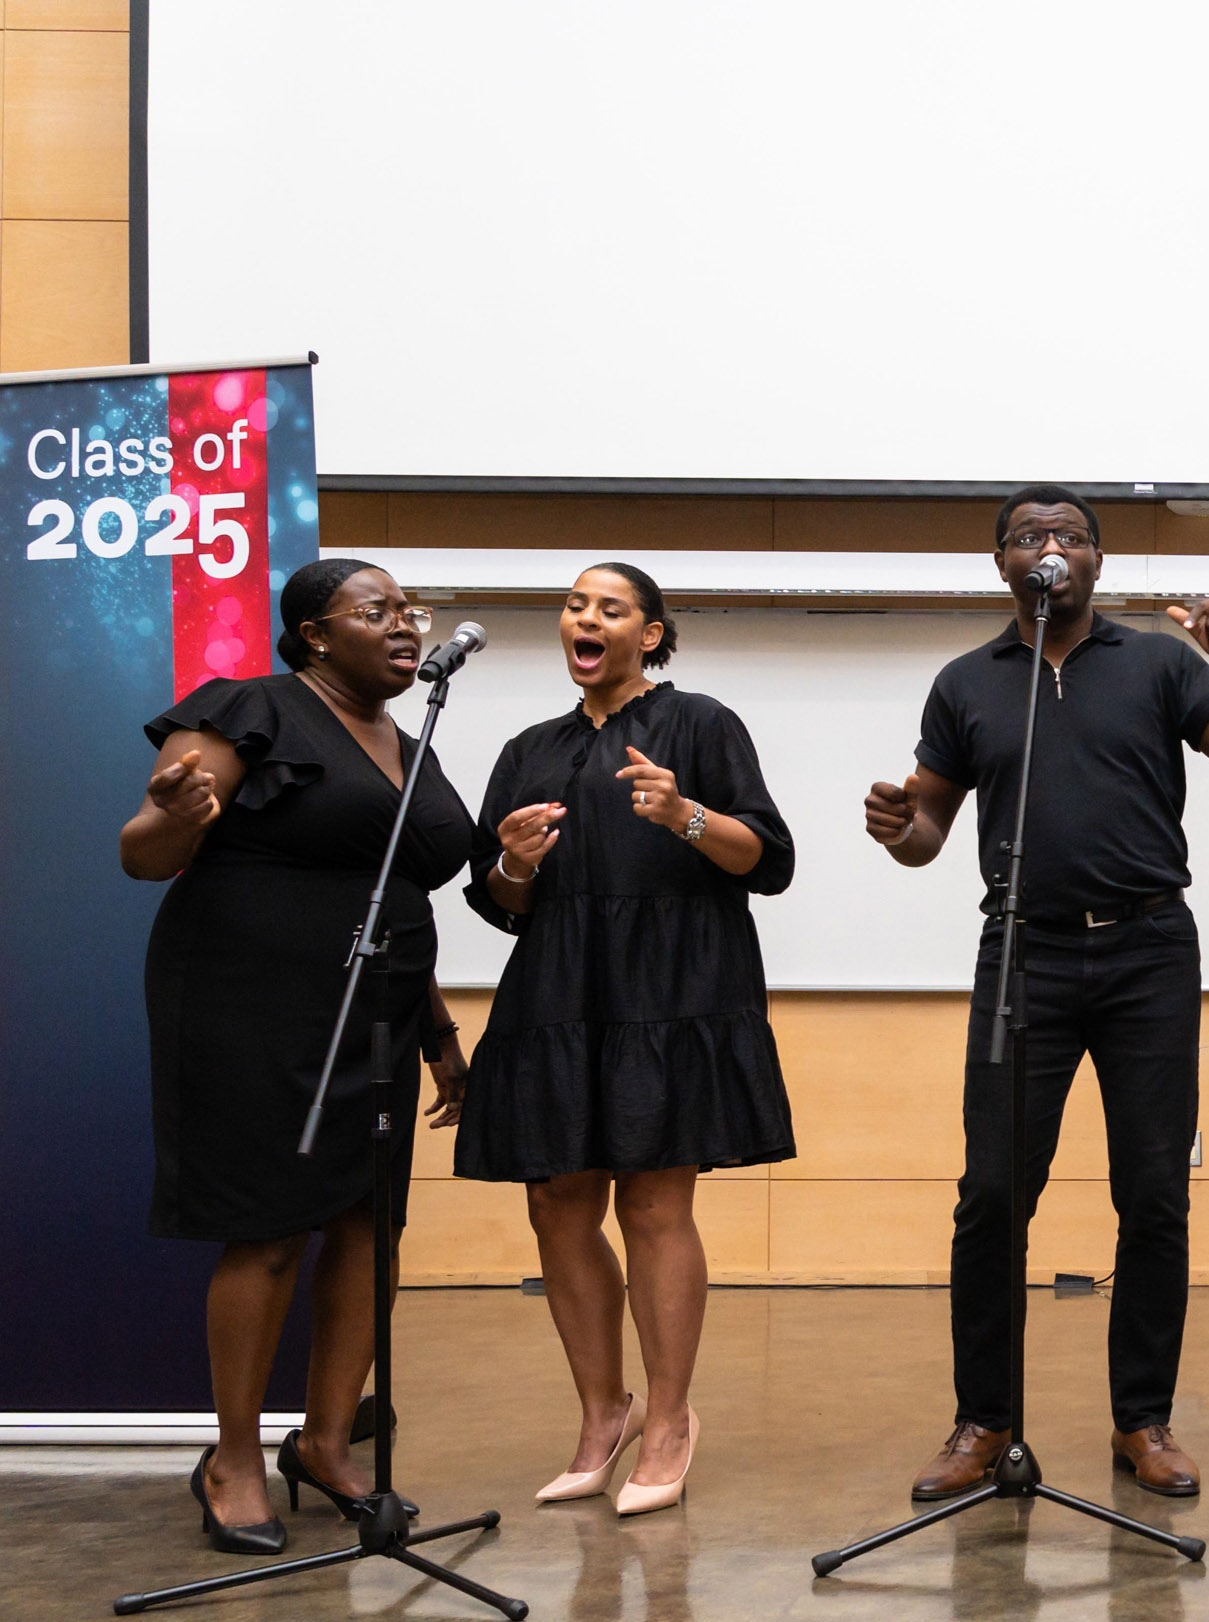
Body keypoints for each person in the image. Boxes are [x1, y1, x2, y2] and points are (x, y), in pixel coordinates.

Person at [865, 484, 1209, 1500]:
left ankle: (1142, 1419)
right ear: (1003, 564)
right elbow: (928, 833)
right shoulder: (969, 682)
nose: (1047, 546)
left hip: (1149, 951)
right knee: (992, 1196)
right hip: (1023, 955)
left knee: (1153, 1194)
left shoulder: (1156, 662)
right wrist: (900, 829)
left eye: (1067, 534)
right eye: (1027, 536)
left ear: (1097, 560)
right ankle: (985, 1419)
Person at [123, 559, 475, 1553]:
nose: (406, 625)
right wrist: (172, 815)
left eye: (412, 611)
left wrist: (438, 1032)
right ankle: (233, 1457)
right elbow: (142, 849)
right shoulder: (254, 708)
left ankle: (325, 1440)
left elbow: (389, 894)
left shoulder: (413, 744)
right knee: (271, 1227)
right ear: (316, 632)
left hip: (381, 1010)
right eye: (380, 611)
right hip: (248, 1001)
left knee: (371, 1226)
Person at [459, 563, 797, 1516]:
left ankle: (671, 1421)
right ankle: (602, 1412)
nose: (585, 617)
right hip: (560, 988)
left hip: (675, 983)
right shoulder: (531, 748)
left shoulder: (702, 724)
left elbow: (769, 860)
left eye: (609, 607)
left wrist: (686, 815)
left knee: (653, 1201)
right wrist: (513, 866)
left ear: (650, 635)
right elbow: (501, 906)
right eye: (574, 605)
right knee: (558, 1202)